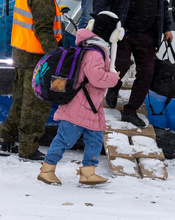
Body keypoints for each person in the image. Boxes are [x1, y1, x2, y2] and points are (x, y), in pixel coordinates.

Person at [37, 11, 124, 186]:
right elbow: (96, 78)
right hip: (79, 104)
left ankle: (88, 173)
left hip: (91, 105)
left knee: (95, 139)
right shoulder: (95, 52)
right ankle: (47, 169)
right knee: (65, 138)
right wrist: (113, 78)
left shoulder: (96, 48)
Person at [93, 0, 172, 128]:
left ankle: (130, 111)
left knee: (147, 74)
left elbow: (163, 4)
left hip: (149, 34)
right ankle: (114, 87)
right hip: (124, 32)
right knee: (119, 65)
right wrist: (100, 17)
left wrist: (167, 27)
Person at [0, 0, 63, 161]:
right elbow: (44, 29)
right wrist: (54, 57)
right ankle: (27, 148)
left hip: (21, 54)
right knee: (36, 105)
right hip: (36, 57)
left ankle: (6, 140)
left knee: (19, 101)